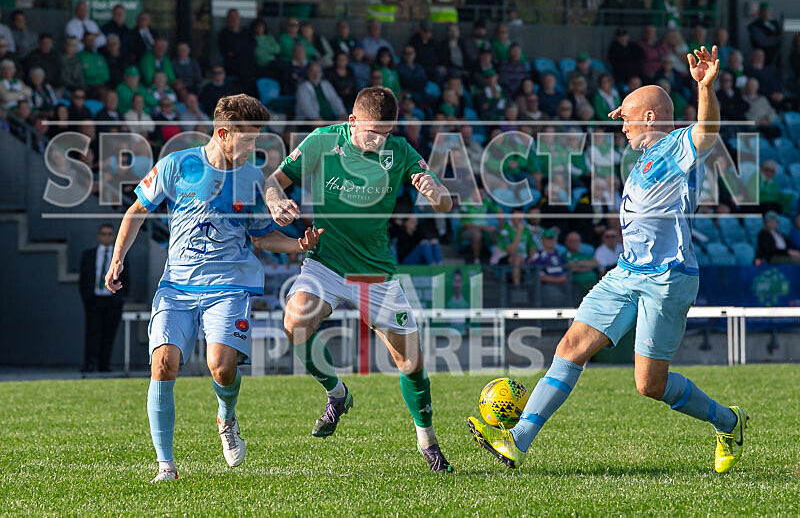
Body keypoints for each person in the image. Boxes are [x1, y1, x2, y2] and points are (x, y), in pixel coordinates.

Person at [469, 46, 749, 476]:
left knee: (649, 384)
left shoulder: (678, 145)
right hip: (626, 272)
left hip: (667, 277)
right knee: (570, 347)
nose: (622, 125)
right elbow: (642, 121)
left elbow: (707, 131)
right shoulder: (644, 157)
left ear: (651, 118)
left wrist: (705, 89)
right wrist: (630, 110)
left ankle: (728, 422)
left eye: (629, 118)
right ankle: (517, 440)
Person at [105, 93, 323, 482]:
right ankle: (166, 467)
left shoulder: (252, 179)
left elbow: (261, 237)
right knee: (163, 363)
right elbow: (136, 211)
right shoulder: (176, 165)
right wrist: (117, 257)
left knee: (221, 368)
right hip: (177, 286)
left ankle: (226, 417)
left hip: (229, 285)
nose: (254, 147)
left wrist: (298, 246)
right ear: (223, 133)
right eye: (248, 139)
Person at [264, 86, 455, 472]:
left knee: (410, 362)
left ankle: (428, 441)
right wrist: (275, 201)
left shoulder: (400, 151)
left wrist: (435, 192)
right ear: (352, 121)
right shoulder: (322, 142)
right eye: (373, 132)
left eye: (387, 132)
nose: (380, 140)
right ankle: (337, 394)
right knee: (295, 322)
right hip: (327, 263)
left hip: (374, 271)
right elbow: (274, 180)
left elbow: (446, 203)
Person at [79, 224, 129, 373]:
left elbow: (126, 278)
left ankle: (104, 365)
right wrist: (87, 297)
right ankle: (89, 364)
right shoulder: (89, 255)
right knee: (92, 332)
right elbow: (84, 278)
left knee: (109, 333)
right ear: (99, 236)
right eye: (103, 234)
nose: (106, 237)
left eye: (109, 234)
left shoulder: (120, 256)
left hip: (112, 300)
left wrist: (121, 298)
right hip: (94, 299)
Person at [493, 208, 536, 285]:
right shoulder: (505, 230)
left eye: (521, 216)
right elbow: (511, 251)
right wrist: (519, 232)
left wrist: (531, 257)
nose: (520, 219)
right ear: (511, 218)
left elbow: (532, 246)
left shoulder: (526, 229)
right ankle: (517, 287)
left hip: (524, 257)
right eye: (517, 216)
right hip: (505, 257)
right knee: (517, 257)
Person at [218, 9, 256, 83]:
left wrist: (238, 50)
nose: (234, 19)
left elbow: (253, 45)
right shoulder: (224, 34)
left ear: (239, 19)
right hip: (232, 63)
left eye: (235, 17)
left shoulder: (246, 32)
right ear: (228, 19)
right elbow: (224, 50)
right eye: (231, 17)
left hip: (247, 61)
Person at [747, 2, 781, 67]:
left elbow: (782, 37)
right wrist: (776, 38)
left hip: (776, 56)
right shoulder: (755, 25)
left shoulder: (775, 23)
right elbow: (764, 42)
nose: (767, 13)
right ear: (760, 12)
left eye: (768, 11)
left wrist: (773, 38)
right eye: (764, 11)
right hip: (762, 57)